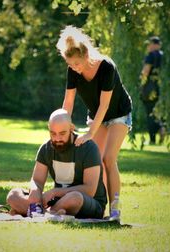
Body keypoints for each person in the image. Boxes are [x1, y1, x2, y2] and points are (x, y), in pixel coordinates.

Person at [56, 25, 132, 209]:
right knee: (96, 162)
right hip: (96, 115)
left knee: (108, 159)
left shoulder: (106, 67)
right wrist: (63, 123)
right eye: (70, 64)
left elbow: (105, 105)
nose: (74, 68)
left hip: (118, 114)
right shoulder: (73, 71)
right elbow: (69, 101)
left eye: (77, 63)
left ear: (86, 55)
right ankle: (101, 207)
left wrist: (90, 133)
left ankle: (115, 208)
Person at [6, 109, 107, 219]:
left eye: (62, 133)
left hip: (89, 203)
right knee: (13, 195)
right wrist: (35, 193)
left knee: (74, 198)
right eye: (53, 133)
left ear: (71, 128)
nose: (57, 138)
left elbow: (90, 190)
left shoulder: (88, 147)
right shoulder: (46, 148)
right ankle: (49, 213)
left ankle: (38, 213)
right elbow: (37, 180)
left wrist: (55, 192)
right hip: (58, 202)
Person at [139, 36, 166, 145]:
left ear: (156, 45)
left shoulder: (150, 56)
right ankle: (161, 127)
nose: (148, 46)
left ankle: (153, 139)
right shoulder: (163, 56)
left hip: (150, 89)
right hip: (161, 88)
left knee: (150, 113)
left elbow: (145, 72)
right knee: (156, 112)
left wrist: (141, 80)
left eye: (150, 44)